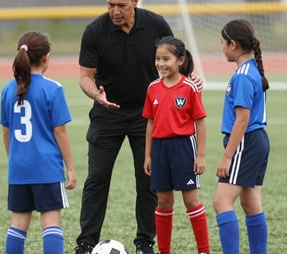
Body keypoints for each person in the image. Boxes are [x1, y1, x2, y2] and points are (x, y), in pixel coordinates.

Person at [74, 1, 203, 253]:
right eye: (111, 4)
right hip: (106, 113)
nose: (115, 11)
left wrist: (191, 77)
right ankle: (86, 243)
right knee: (97, 178)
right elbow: (85, 76)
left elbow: (178, 59)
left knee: (148, 180)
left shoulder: (156, 24)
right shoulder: (94, 31)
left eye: (121, 5)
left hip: (149, 115)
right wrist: (97, 96)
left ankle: (145, 242)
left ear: (134, 1)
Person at [0, 31, 77, 254]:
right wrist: (70, 168)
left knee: (18, 225)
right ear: (46, 57)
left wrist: (14, 158)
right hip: (47, 167)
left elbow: (6, 132)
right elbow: (60, 131)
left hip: (19, 167)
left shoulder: (7, 88)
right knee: (51, 222)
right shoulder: (53, 88)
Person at [142, 36, 210, 254]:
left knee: (191, 200)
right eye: (157, 59)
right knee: (163, 201)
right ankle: (164, 251)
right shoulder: (152, 88)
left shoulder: (190, 87)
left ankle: (204, 250)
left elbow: (200, 122)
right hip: (160, 149)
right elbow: (150, 122)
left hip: (183, 147)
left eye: (166, 59)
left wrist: (200, 156)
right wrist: (148, 155)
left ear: (180, 60)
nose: (160, 64)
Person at [212, 19, 270, 254]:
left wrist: (227, 157)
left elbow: (242, 120)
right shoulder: (252, 69)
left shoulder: (244, 75)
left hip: (246, 141)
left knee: (221, 202)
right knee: (250, 201)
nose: (222, 48)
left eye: (222, 43)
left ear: (233, 44)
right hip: (257, 140)